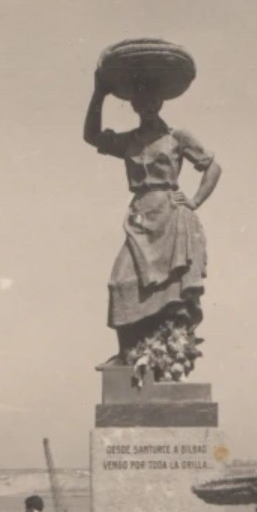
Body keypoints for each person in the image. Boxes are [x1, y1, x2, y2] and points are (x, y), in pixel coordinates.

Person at [84, 68, 223, 358]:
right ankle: (127, 355)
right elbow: (92, 136)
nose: (148, 106)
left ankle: (166, 352)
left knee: (171, 289)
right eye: (141, 101)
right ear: (134, 105)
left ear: (161, 102)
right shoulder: (130, 140)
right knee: (120, 282)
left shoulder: (177, 137)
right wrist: (99, 94)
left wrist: (195, 201)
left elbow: (213, 166)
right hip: (139, 218)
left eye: (153, 100)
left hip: (171, 218)